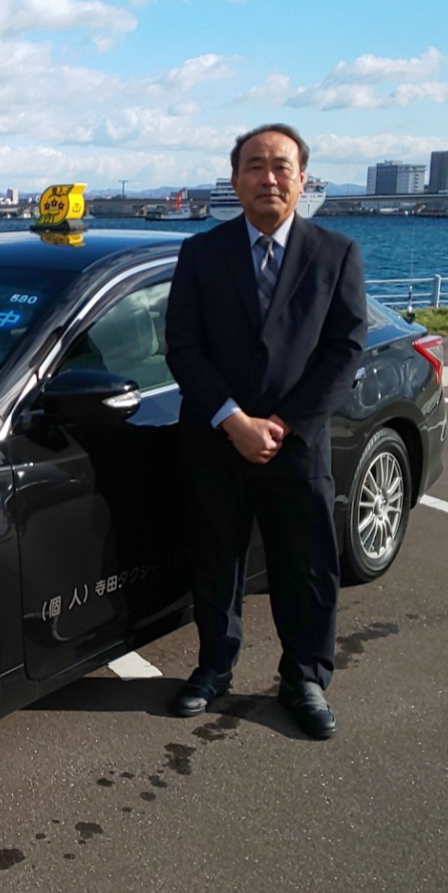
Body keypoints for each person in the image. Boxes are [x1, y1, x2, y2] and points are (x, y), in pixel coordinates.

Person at [164, 123, 367, 739]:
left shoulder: (336, 255)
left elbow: (344, 349)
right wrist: (233, 419)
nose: (269, 177)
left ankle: (305, 676)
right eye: (255, 166)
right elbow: (182, 347)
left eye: (282, 166)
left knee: (306, 564)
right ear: (234, 180)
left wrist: (282, 423)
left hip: (296, 445)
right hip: (216, 439)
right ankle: (214, 667)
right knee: (215, 560)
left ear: (302, 179)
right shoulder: (201, 253)